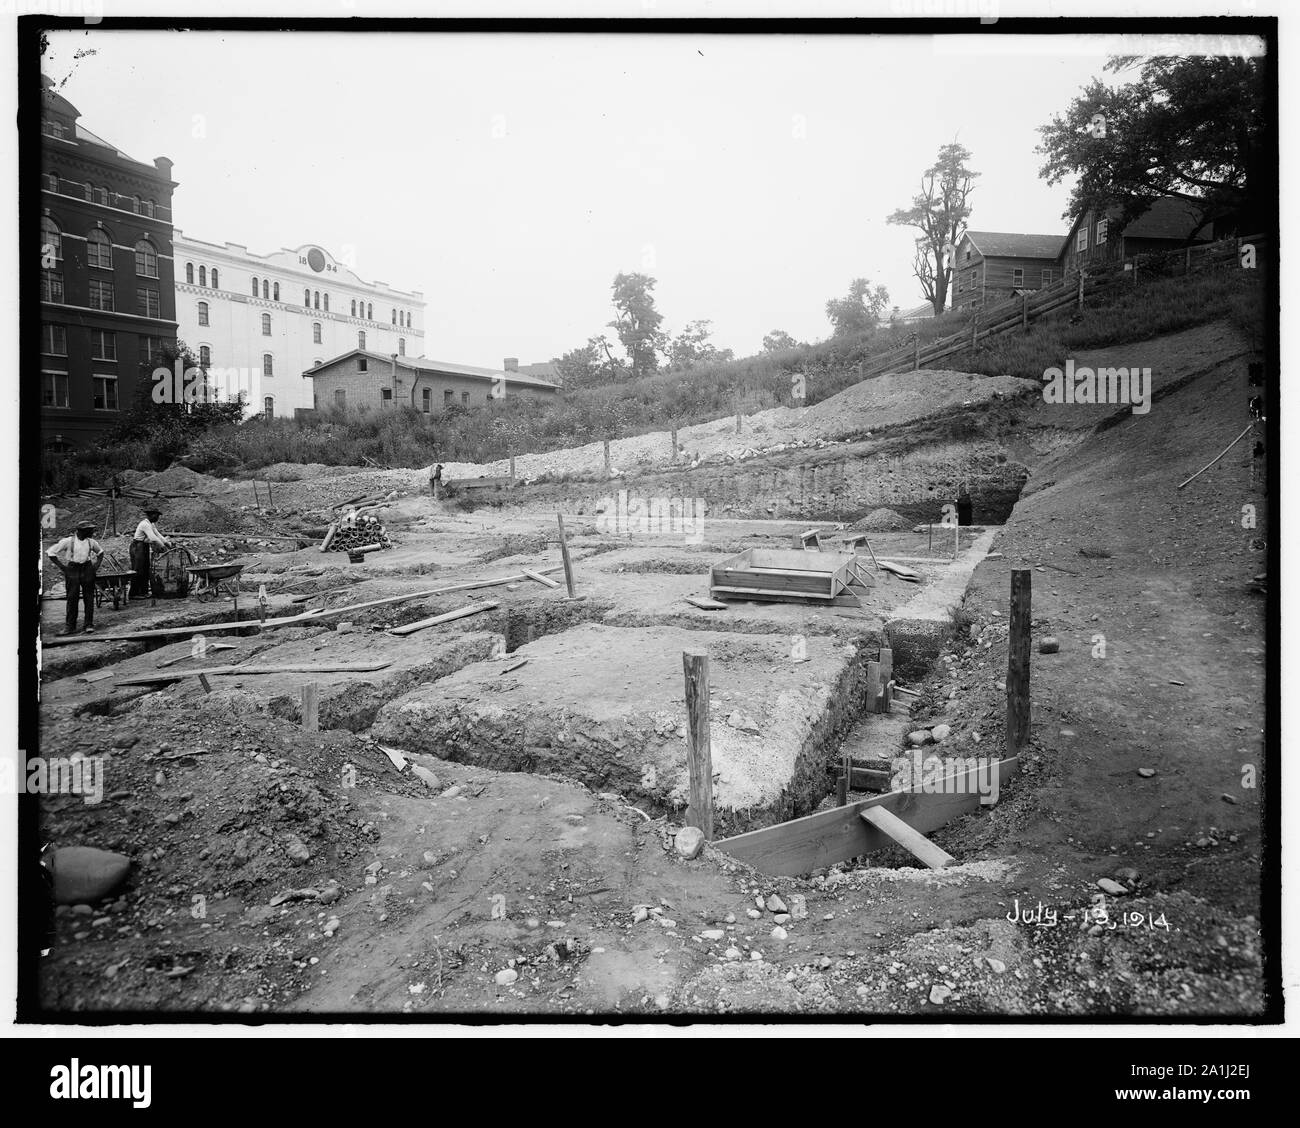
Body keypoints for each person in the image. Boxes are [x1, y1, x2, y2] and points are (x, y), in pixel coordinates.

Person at [47, 521, 104, 635]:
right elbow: (51, 552)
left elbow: (101, 553)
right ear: (82, 531)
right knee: (72, 597)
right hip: (73, 569)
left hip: (87, 569)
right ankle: (70, 626)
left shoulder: (91, 542)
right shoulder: (68, 541)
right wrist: (63, 568)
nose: (92, 532)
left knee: (88, 597)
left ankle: (88, 625)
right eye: (90, 530)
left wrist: (94, 567)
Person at [130, 506, 170, 598]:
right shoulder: (145, 524)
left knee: (145, 568)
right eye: (156, 516)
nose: (157, 518)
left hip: (144, 546)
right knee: (138, 569)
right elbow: (153, 538)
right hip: (137, 546)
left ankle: (143, 592)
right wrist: (163, 547)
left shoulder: (151, 524)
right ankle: (133, 593)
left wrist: (168, 544)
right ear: (151, 515)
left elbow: (158, 535)